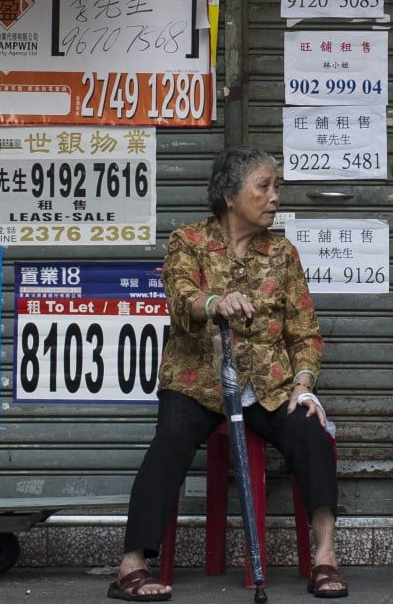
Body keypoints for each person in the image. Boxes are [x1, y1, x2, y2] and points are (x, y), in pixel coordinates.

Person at [107, 146, 347, 601]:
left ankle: (325, 557)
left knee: (311, 432)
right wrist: (214, 303)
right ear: (230, 195)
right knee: (171, 438)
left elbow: (305, 332)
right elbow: (181, 299)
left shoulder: (283, 253)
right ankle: (132, 563)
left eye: (276, 186)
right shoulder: (189, 242)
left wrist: (303, 384)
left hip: (268, 387)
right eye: (265, 186)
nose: (275, 196)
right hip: (199, 382)